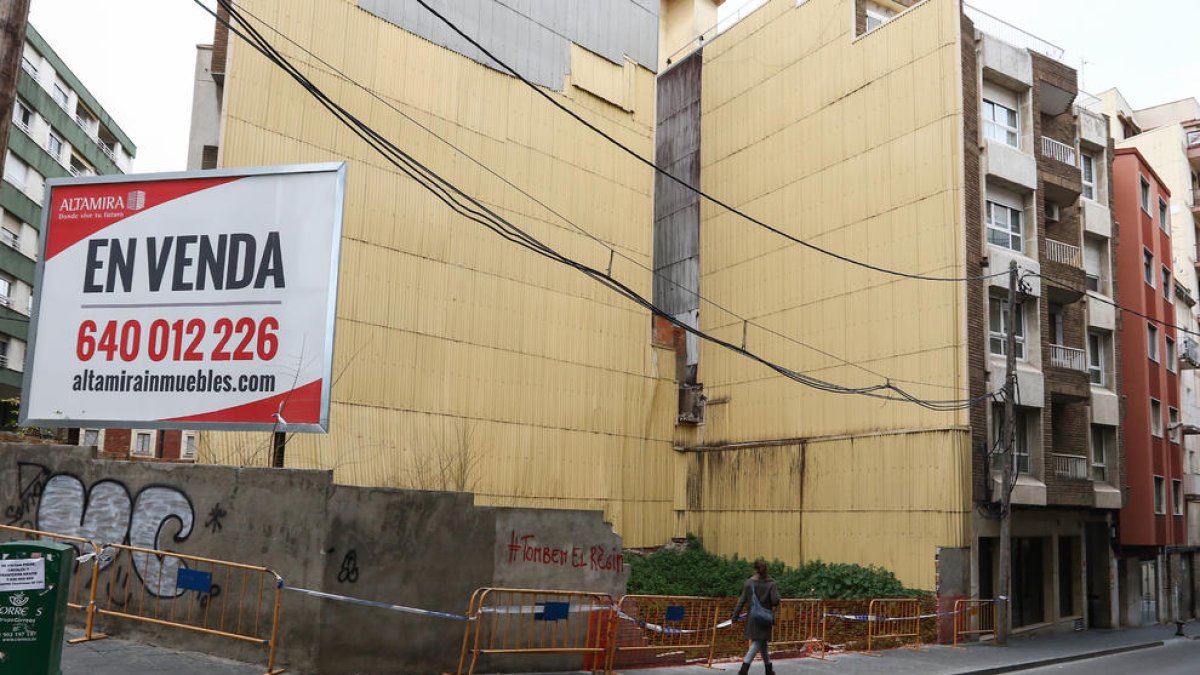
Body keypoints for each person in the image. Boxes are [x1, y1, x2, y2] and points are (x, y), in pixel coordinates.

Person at [730, 559, 780, 675]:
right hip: (765, 618)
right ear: (766, 569)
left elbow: (741, 601)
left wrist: (734, 617)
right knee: (757, 643)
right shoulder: (771, 583)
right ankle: (743, 671)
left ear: (755, 569)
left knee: (762, 643)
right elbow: (774, 601)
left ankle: (769, 670)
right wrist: (777, 599)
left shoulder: (749, 583)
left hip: (753, 618)